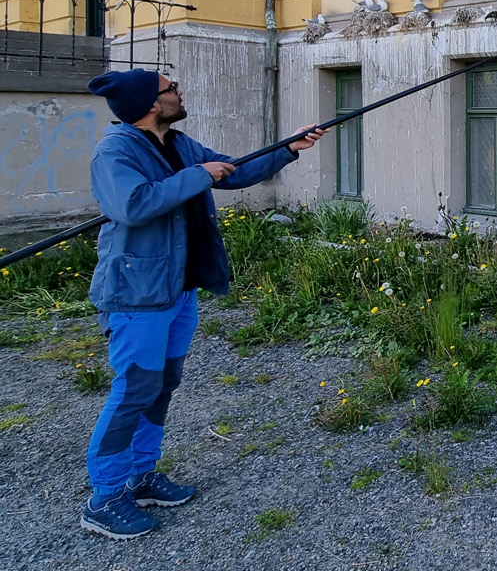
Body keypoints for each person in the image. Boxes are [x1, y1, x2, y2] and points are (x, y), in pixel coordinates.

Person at [80, 68, 325, 539]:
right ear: (151, 103)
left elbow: (234, 170)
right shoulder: (116, 151)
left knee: (162, 386)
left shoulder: (179, 144)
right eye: (170, 88)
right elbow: (131, 205)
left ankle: (142, 475)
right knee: (133, 389)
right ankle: (105, 497)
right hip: (137, 294)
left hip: (178, 290)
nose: (179, 92)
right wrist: (196, 177)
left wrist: (289, 147)